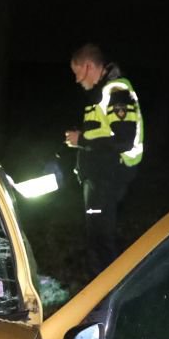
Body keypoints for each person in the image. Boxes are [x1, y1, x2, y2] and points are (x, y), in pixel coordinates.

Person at [64, 43, 144, 274]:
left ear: (88, 66)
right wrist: (81, 140)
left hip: (108, 178)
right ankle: (100, 293)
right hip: (98, 178)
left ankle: (107, 295)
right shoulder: (101, 92)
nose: (77, 79)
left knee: (101, 239)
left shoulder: (117, 91)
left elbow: (124, 139)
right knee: (96, 238)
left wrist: (83, 141)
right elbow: (101, 133)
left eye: (77, 72)